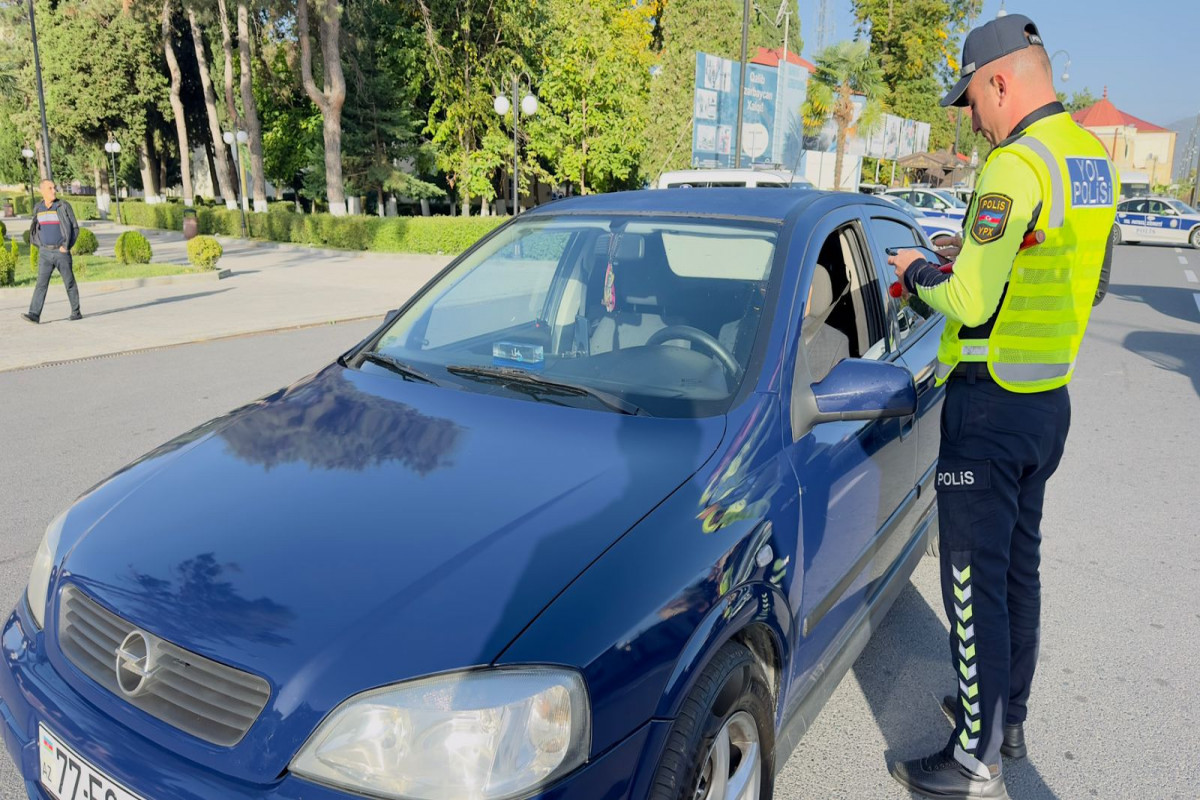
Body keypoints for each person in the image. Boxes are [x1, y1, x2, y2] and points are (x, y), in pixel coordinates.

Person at [886, 14, 1117, 800]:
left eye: (974, 102)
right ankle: (1007, 717)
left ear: (1000, 80)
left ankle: (971, 755)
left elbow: (968, 295)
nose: (974, 120)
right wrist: (982, 257)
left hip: (987, 411)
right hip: (1047, 399)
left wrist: (920, 268)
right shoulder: (1089, 162)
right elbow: (1078, 273)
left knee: (970, 582)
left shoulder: (1016, 164)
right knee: (1019, 569)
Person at [22, 179, 82, 324]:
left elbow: (75, 228)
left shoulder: (63, 206)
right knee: (41, 284)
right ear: (42, 191)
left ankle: (76, 311)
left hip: (61, 252)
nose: (54, 190)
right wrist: (39, 244)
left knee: (69, 282)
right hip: (45, 253)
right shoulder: (38, 208)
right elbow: (35, 227)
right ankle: (34, 314)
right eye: (50, 188)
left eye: (54, 188)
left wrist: (66, 246)